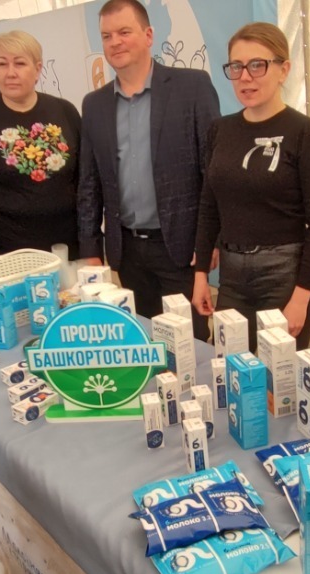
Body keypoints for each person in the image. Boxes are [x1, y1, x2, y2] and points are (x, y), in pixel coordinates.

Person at [78, 0, 219, 336]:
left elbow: (213, 173)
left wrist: (212, 241)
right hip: (126, 252)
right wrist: (91, 251)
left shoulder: (192, 87)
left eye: (124, 32)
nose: (115, 42)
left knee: (191, 342)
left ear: (149, 35)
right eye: (107, 36)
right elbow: (89, 183)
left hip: (180, 248)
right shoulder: (94, 104)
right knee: (142, 340)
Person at [191, 23, 310, 350]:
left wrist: (302, 297)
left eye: (257, 65)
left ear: (284, 69)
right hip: (232, 276)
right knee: (230, 365)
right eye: (236, 66)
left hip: (285, 275)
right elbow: (209, 206)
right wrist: (200, 275)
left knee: (280, 372)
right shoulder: (220, 131)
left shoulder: (307, 132)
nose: (245, 77)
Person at [0, 30, 82, 261]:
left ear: (38, 69)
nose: (11, 73)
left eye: (20, 63)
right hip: (7, 251)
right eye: (2, 64)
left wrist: (91, 241)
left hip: (68, 244)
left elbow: (85, 179)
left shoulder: (65, 111)